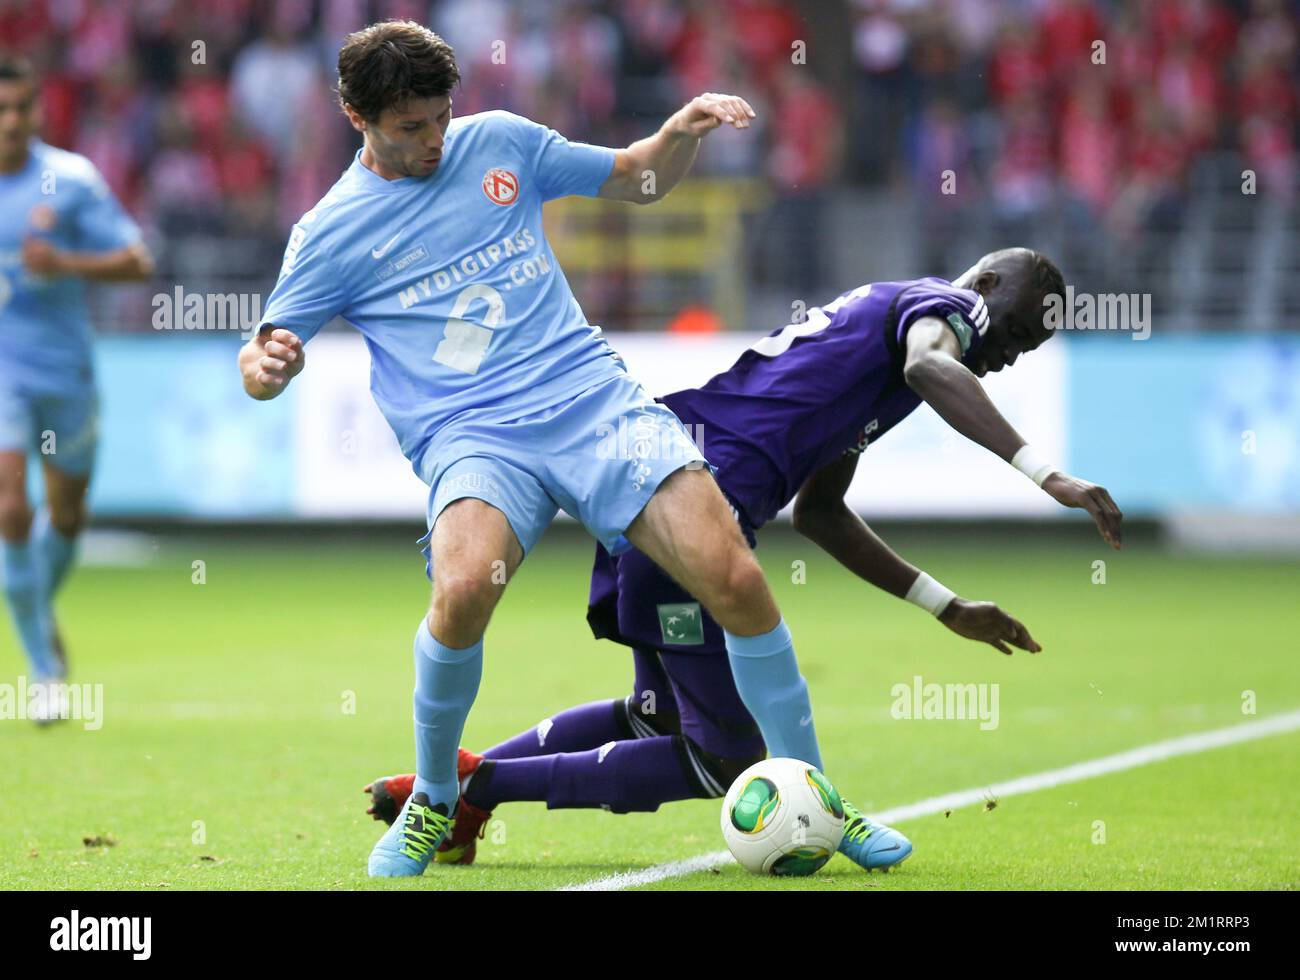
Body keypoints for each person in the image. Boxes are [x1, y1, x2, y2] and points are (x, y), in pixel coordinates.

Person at [237, 21, 887, 877]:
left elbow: (637, 178)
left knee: (730, 572)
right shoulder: (330, 233)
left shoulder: (500, 141)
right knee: (464, 587)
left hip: (588, 400)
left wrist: (678, 136)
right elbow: (261, 354)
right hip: (472, 434)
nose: (435, 139)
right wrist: (267, 364)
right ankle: (437, 799)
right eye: (411, 127)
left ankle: (819, 797)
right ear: (357, 116)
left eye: (441, 116)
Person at [362, 248, 1124, 872]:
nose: (1008, 356)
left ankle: (463, 790)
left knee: (653, 714)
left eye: (1026, 350)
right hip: (688, 501)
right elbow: (936, 365)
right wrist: (1044, 473)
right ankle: (468, 789)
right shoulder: (936, 313)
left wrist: (945, 605)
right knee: (725, 761)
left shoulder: (883, 351)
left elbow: (822, 513)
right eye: (1015, 332)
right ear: (984, 286)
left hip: (663, 478)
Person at [0, 55, 153, 722]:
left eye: (22, 108)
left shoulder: (71, 180)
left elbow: (137, 261)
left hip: (65, 368)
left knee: (64, 517)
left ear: (40, 109)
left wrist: (64, 261)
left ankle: (35, 603)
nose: (11, 122)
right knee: (9, 508)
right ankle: (46, 669)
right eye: (1, 110)